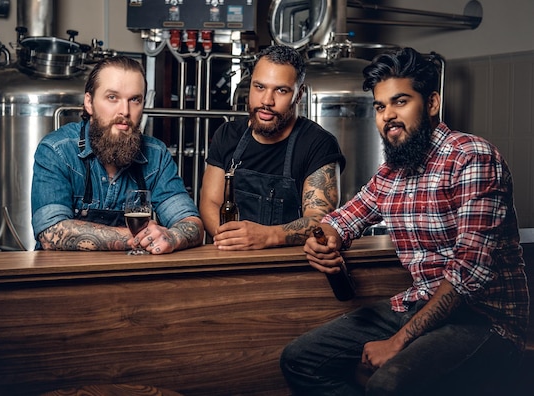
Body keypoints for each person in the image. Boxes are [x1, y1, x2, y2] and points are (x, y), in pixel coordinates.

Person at [280, 47, 530, 395]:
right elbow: (344, 218)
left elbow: (468, 272)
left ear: (431, 104)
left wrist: (398, 342)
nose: (388, 116)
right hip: (418, 306)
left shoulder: (472, 157)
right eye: (380, 107)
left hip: (484, 322)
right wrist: (324, 237)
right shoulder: (392, 173)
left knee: (387, 385)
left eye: (400, 102)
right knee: (299, 358)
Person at [31, 56, 203, 253]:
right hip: (66, 278)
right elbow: (51, 232)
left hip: (131, 278)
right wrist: (141, 238)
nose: (125, 111)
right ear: (89, 102)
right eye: (112, 97)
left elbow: (191, 223)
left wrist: (172, 237)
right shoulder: (56, 150)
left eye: (134, 100)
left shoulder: (156, 155)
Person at [199, 45, 345, 250]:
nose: (267, 101)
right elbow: (210, 202)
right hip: (230, 258)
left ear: (299, 94)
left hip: (289, 267)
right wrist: (232, 241)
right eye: (259, 87)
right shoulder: (227, 135)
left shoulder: (318, 144)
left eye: (281, 90)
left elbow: (319, 220)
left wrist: (267, 236)